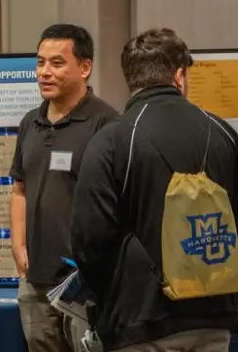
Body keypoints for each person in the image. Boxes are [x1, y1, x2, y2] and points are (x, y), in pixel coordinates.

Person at [70, 28, 238, 352]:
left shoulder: (112, 140)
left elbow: (89, 240)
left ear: (130, 79)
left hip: (139, 320)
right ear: (179, 75)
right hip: (215, 317)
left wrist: (102, 300)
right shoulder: (223, 134)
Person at [9, 23, 118, 352]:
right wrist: (18, 246)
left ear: (85, 67)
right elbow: (19, 187)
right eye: (40, 62)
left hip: (84, 283)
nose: (44, 72)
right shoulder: (30, 121)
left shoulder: (107, 124)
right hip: (34, 279)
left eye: (56, 63)